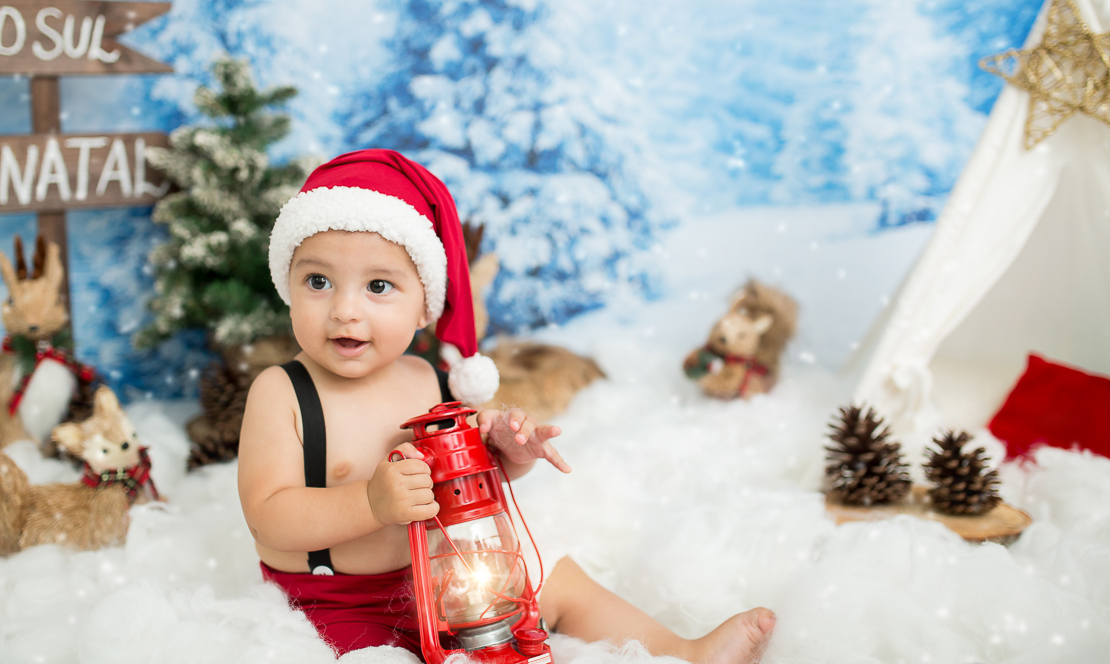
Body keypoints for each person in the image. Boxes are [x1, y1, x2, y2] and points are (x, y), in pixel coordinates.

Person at [237, 149, 776, 663]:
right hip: (335, 606)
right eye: (318, 281)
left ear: (425, 303)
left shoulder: (428, 377)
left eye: (378, 285)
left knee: (556, 576)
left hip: (442, 580)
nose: (345, 311)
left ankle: (684, 652)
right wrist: (371, 504)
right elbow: (270, 520)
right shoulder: (282, 392)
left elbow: (468, 483)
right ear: (287, 283)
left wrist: (507, 453)